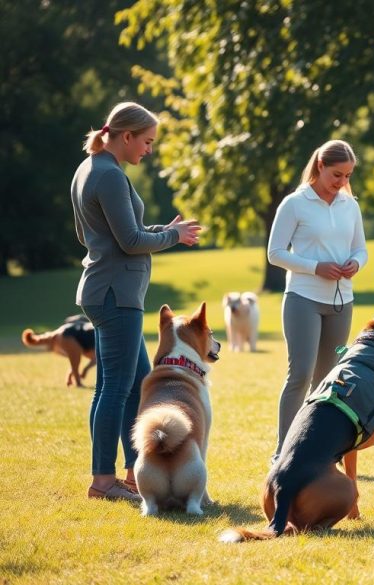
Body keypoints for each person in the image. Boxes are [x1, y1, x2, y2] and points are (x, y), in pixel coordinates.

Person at [72, 101, 203, 501]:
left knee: (132, 387)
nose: (148, 149)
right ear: (125, 136)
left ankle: (134, 471)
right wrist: (173, 237)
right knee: (115, 388)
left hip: (107, 290)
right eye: (146, 142)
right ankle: (102, 480)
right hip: (116, 295)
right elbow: (129, 241)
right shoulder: (109, 175)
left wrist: (164, 229)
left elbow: (104, 236)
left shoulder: (89, 168)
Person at [267, 139, 368, 462]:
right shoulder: (295, 203)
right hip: (303, 298)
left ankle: (315, 446)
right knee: (300, 374)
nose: (342, 182)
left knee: (329, 378)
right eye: (337, 174)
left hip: (341, 301)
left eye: (348, 175)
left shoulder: (350, 205)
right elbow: (275, 253)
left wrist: (356, 263)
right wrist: (315, 267)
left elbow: (361, 249)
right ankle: (284, 451)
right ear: (320, 166)